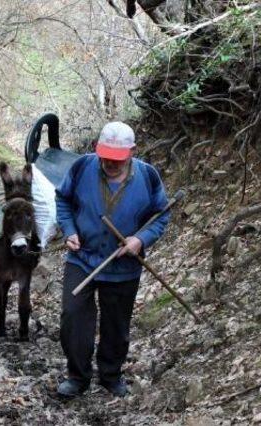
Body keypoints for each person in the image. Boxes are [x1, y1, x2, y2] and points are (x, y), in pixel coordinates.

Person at [55, 121, 170, 398]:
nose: (110, 163)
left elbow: (161, 215)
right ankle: (77, 376)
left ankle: (110, 374)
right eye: (106, 156)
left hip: (124, 265)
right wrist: (69, 231)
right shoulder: (82, 167)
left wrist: (139, 240)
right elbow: (63, 200)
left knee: (116, 324)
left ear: (132, 152)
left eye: (117, 159)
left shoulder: (148, 176)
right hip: (82, 257)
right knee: (73, 316)